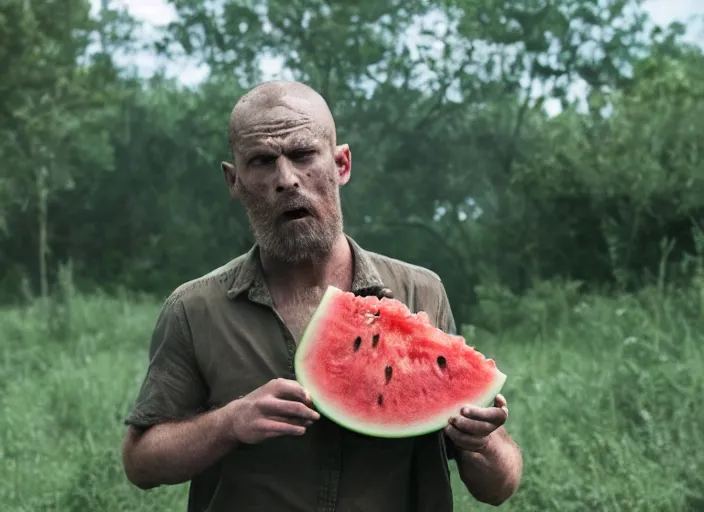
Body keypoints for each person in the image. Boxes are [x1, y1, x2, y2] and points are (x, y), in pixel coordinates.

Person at [121, 80, 523, 511]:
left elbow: (499, 487)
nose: (286, 179)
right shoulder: (195, 309)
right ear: (233, 181)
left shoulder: (420, 292)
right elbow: (141, 462)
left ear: (341, 164)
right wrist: (229, 423)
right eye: (262, 161)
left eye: (302, 154)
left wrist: (480, 442)